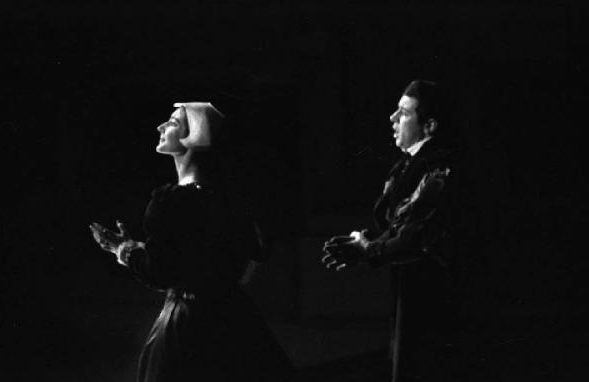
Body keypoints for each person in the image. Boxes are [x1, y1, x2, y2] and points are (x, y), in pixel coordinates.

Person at [89, 102, 292, 381]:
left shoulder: (172, 201)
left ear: (193, 135)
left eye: (172, 122)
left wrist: (123, 249)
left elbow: (161, 271)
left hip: (188, 326)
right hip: (234, 319)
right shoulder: (229, 199)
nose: (161, 127)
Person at [322, 80, 465, 381]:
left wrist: (367, 249)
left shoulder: (439, 169)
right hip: (412, 292)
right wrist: (366, 243)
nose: (392, 119)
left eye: (403, 113)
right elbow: (400, 226)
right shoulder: (410, 166)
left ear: (430, 126)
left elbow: (413, 237)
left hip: (435, 297)